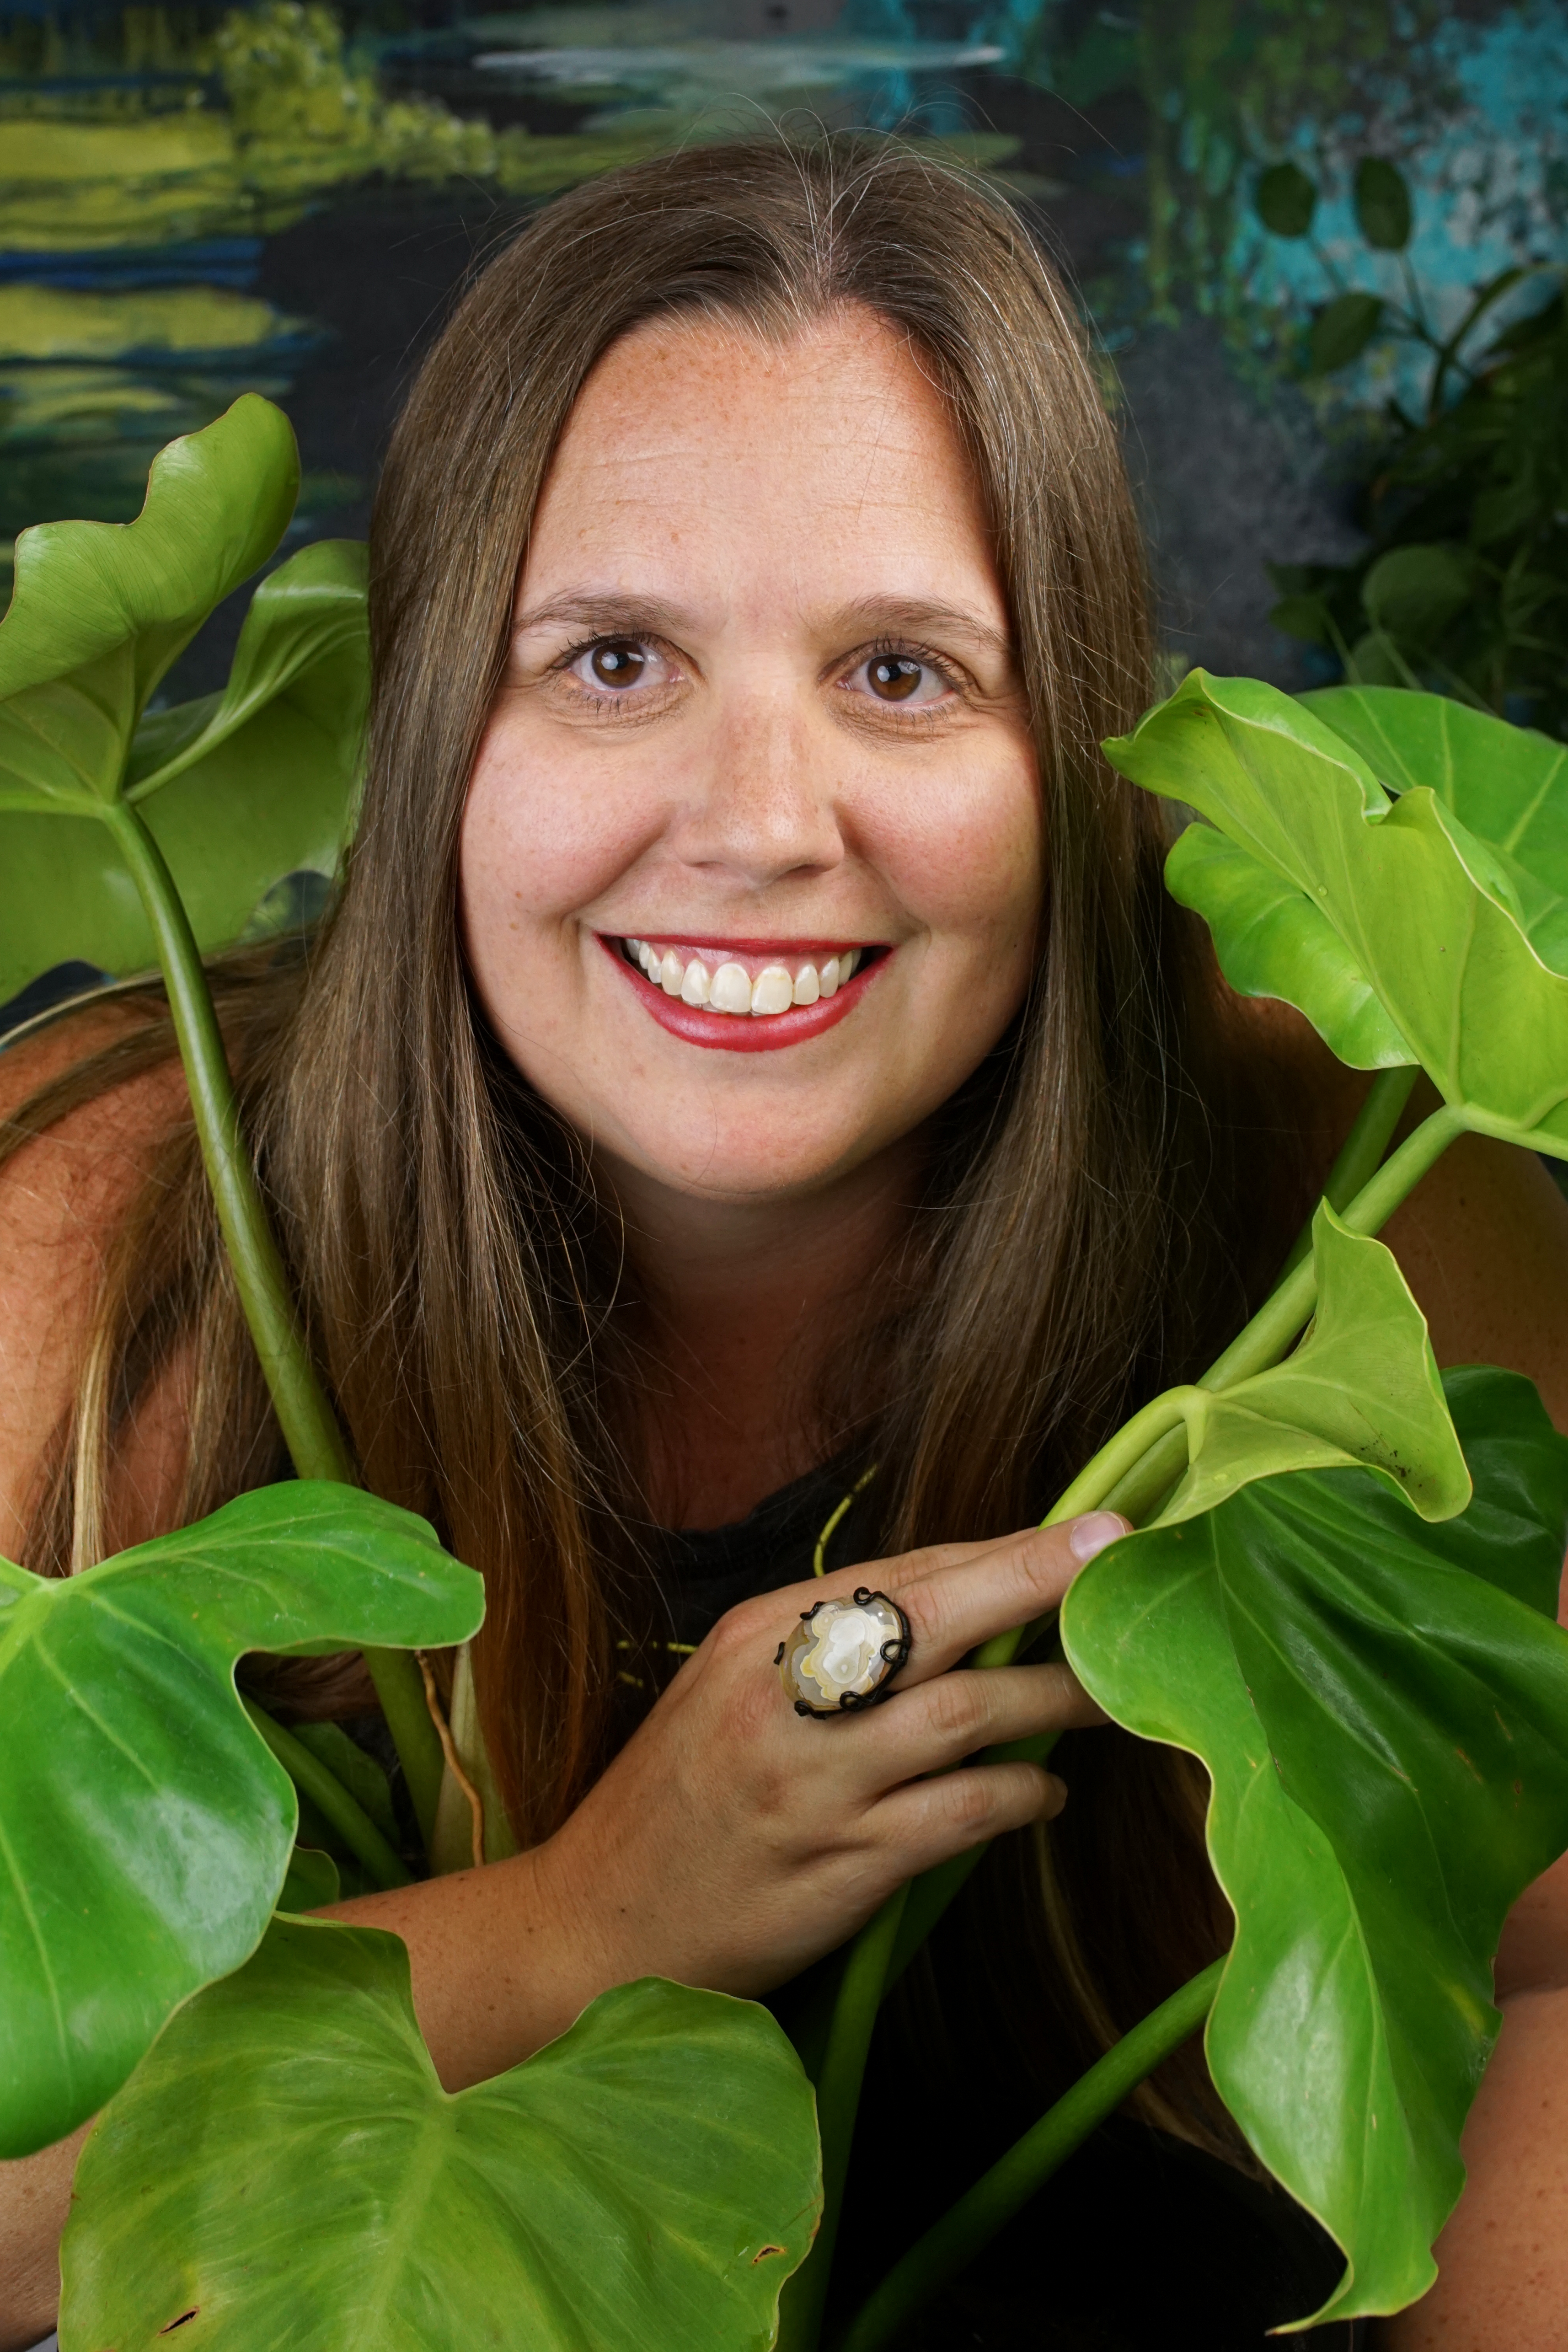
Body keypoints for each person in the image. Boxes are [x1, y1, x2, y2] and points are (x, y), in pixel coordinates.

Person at [3, 137, 1568, 2352]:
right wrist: (590, 1922)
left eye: (907, 674)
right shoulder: (109, 1217)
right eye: (617, 657)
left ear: (1083, 751)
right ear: (443, 726)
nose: (757, 822)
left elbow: (1551, 1959)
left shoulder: (1341, 1153)